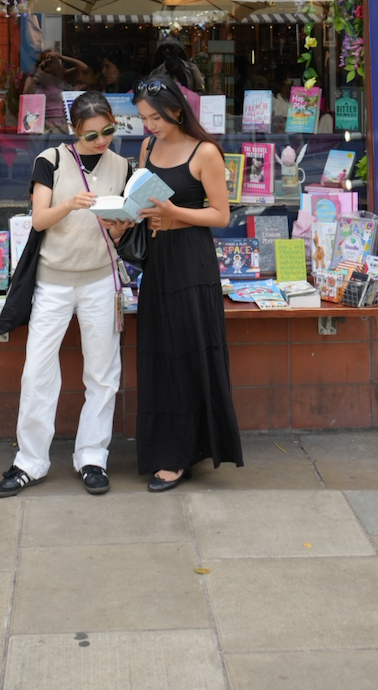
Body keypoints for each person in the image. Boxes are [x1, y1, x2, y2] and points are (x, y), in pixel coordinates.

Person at [0, 91, 130, 499]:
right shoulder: (50, 161)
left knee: (103, 373)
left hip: (100, 279)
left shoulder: (121, 166)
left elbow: (119, 228)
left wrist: (120, 227)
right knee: (37, 371)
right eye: (92, 135)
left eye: (108, 131)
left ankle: (93, 457)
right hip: (53, 280)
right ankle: (29, 462)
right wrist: (70, 204)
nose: (102, 140)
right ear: (74, 131)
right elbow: (39, 219)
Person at [132, 75, 243, 492]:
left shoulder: (205, 152)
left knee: (188, 352)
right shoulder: (146, 148)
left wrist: (174, 212)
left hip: (192, 263)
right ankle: (167, 447)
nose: (149, 127)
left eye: (154, 118)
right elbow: (145, 199)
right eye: (143, 119)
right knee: (160, 354)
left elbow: (220, 215)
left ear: (176, 110)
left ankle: (182, 454)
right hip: (157, 262)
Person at [22, 49, 91, 130]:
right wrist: (39, 74)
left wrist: (61, 57)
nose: (49, 63)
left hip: (60, 123)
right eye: (46, 61)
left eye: (52, 61)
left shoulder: (61, 77)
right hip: (38, 122)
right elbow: (25, 97)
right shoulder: (33, 78)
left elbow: (84, 68)